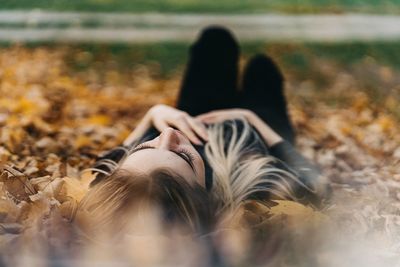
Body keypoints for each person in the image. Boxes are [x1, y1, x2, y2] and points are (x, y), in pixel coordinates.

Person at [77, 26, 330, 238]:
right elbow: (316, 185)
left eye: (146, 146)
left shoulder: (122, 187)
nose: (168, 135)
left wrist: (152, 115)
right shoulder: (251, 189)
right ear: (202, 197)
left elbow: (109, 159)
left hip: (194, 115)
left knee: (216, 39)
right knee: (263, 69)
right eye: (184, 156)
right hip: (255, 131)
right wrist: (251, 119)